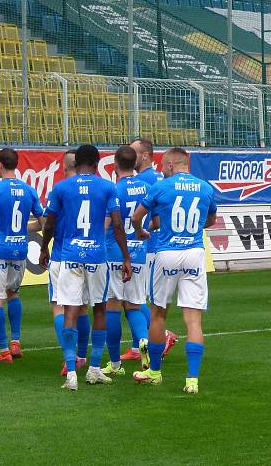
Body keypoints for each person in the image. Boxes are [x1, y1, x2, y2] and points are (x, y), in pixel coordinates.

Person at [40, 144, 132, 391]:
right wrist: (126, 257)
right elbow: (117, 224)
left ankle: (71, 373)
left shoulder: (61, 187)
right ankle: (93, 370)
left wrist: (43, 248)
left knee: (69, 309)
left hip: (69, 255)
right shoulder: (107, 187)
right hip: (96, 256)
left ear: (76, 162)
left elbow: (50, 223)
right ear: (97, 161)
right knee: (99, 308)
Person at [130, 147, 217, 393]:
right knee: (194, 320)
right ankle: (192, 380)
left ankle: (155, 372)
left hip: (167, 253)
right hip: (194, 254)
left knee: (158, 314)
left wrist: (140, 232)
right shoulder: (205, 187)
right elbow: (210, 220)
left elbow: (137, 217)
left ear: (169, 165)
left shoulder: (160, 187)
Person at [0, 148, 45, 363]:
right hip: (20, 250)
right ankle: (16, 342)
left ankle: (3, 351)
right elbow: (42, 222)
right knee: (13, 294)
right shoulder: (29, 190)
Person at [100, 146, 153, 378]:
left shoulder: (114, 190)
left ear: (114, 166)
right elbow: (156, 221)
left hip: (115, 253)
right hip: (140, 254)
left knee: (112, 304)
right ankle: (142, 340)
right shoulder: (149, 188)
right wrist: (142, 232)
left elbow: (106, 225)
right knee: (134, 304)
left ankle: (114, 363)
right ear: (135, 164)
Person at [127, 138, 177, 360]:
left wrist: (137, 228)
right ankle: (138, 346)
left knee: (133, 299)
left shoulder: (144, 180)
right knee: (134, 298)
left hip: (147, 247)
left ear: (145, 155)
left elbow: (153, 220)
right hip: (161, 245)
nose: (131, 157)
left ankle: (162, 335)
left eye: (134, 153)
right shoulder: (162, 178)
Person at [48, 149, 94, 376]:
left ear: (65, 166)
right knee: (83, 307)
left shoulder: (61, 190)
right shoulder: (96, 188)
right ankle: (83, 355)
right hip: (89, 255)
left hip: (61, 255)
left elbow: (48, 222)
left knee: (59, 306)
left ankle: (70, 357)